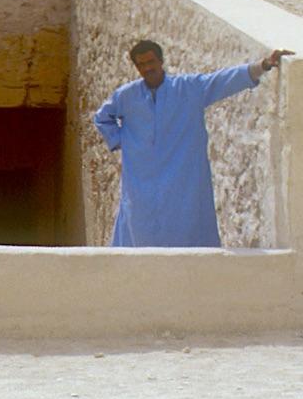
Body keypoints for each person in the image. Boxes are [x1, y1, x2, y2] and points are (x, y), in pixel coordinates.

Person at [92, 39, 291, 247]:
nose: (147, 68)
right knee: (139, 235)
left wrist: (264, 65)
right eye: (141, 64)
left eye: (151, 62)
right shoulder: (126, 96)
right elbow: (102, 117)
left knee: (188, 233)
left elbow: (223, 81)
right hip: (141, 181)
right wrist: (123, 142)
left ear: (161, 61)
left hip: (183, 180)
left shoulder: (187, 88)